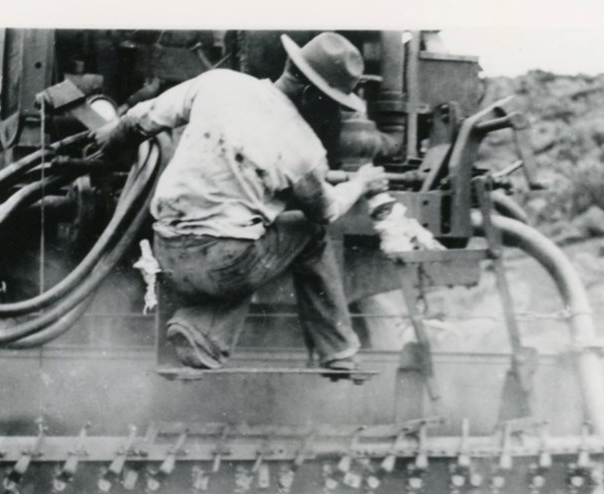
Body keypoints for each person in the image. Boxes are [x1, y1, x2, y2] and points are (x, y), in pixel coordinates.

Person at [92, 32, 387, 370]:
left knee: (247, 231)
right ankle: (338, 352)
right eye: (332, 101)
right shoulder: (305, 148)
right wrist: (362, 182)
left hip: (166, 252)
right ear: (311, 94)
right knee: (307, 233)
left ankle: (199, 333)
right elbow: (326, 211)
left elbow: (142, 119)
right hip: (224, 266)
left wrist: (108, 140)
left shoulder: (220, 83)